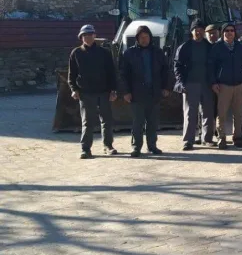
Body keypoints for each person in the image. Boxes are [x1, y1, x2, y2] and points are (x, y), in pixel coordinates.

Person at [68, 24, 118, 159]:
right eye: (85, 35)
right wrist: (74, 89)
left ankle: (108, 146)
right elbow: (71, 74)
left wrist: (113, 90)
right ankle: (85, 149)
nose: (87, 37)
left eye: (90, 34)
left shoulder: (104, 53)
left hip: (104, 92)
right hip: (85, 93)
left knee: (107, 120)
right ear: (81, 37)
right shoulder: (76, 53)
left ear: (95, 36)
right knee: (87, 122)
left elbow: (111, 73)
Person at [121, 26, 170, 157]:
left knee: (153, 122)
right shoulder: (129, 54)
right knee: (138, 122)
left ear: (150, 38)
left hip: (154, 92)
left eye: (146, 37)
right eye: (141, 37)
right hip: (137, 94)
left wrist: (165, 87)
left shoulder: (158, 52)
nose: (144, 39)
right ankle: (136, 147)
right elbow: (123, 74)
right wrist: (126, 92)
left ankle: (152, 146)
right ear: (137, 39)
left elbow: (165, 71)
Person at [174, 19, 215, 150]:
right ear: (191, 31)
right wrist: (181, 83)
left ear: (204, 32)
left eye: (201, 30)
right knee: (190, 114)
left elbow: (214, 66)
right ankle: (188, 141)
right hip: (190, 84)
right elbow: (177, 66)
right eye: (196, 30)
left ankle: (207, 139)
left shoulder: (209, 47)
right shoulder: (184, 47)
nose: (198, 32)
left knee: (208, 112)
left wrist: (213, 82)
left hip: (206, 84)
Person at [209, 22, 242, 149]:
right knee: (221, 114)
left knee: (238, 114)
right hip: (223, 85)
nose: (229, 32)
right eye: (226, 30)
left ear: (235, 32)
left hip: (239, 85)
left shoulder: (240, 47)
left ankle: (237, 138)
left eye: (232, 30)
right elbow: (211, 67)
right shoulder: (217, 47)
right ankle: (221, 138)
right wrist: (214, 82)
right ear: (223, 33)